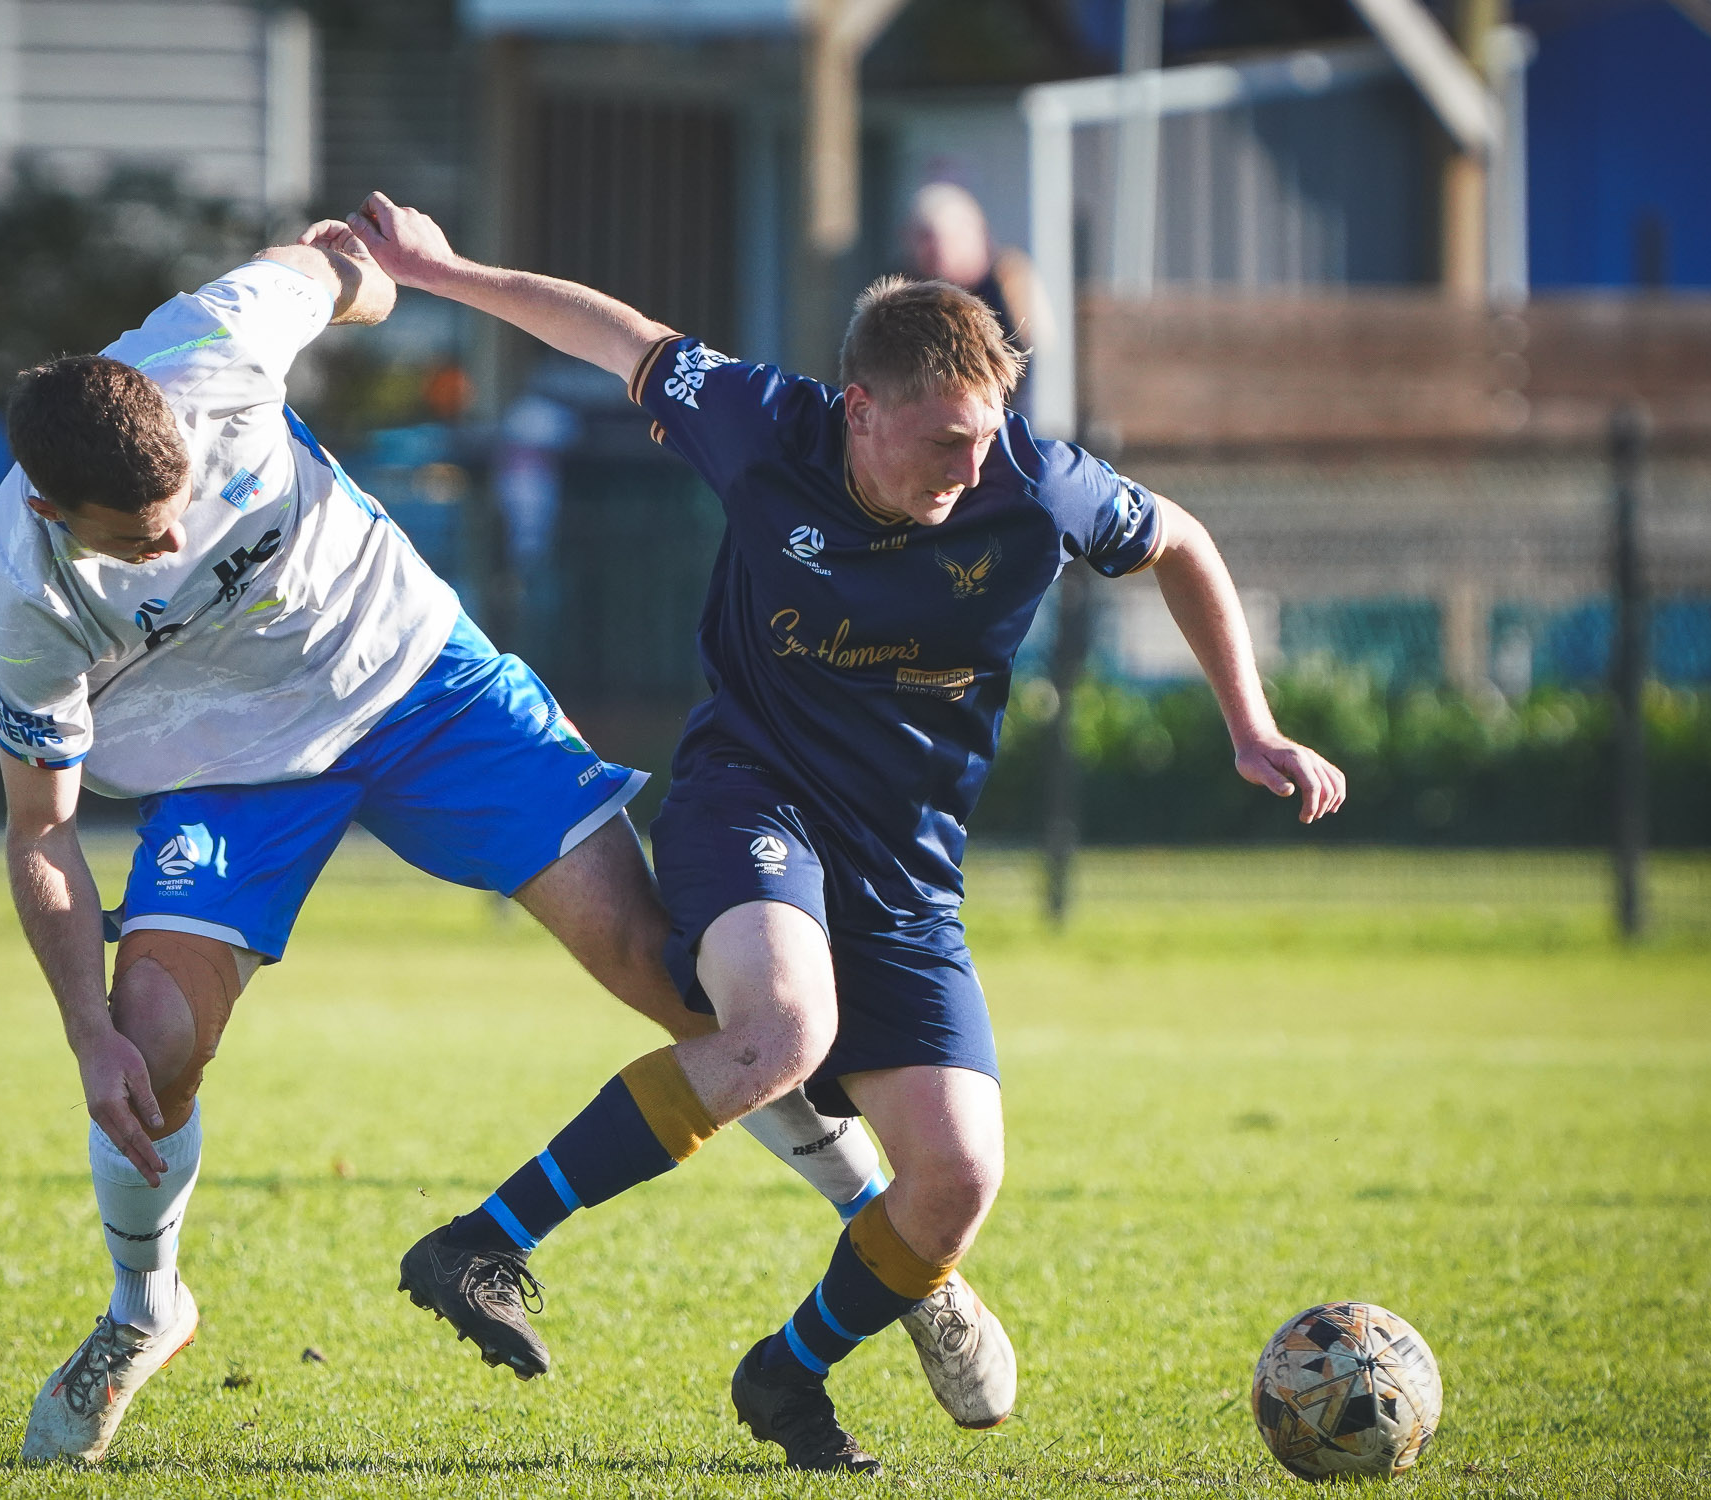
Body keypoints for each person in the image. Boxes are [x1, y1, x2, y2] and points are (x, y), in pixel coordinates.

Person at [351, 191, 1346, 1473]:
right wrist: (436, 274)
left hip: (906, 868)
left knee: (955, 1180)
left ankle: (787, 1374)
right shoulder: (766, 426)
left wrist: (1248, 725)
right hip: (748, 798)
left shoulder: (1033, 483)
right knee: (781, 1030)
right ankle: (487, 1240)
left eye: (985, 440)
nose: (972, 471)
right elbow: (614, 335)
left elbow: (1184, 544)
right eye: (943, 443)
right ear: (859, 410)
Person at [0, 218, 984, 1465]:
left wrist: (391, 270)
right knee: (155, 1045)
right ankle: (143, 1313)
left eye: (177, 507)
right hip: (223, 764)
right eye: (134, 540)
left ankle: (905, 1255)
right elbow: (40, 832)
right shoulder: (22, 593)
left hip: (413, 677)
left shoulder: (216, 342)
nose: (170, 545)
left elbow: (343, 270)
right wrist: (85, 1035)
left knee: (670, 969)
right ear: (45, 506)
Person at [905, 181, 1053, 416]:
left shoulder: (1011, 280)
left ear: (973, 234)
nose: (930, 250)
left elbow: (1035, 360)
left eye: (938, 238)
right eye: (922, 238)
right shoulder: (907, 292)